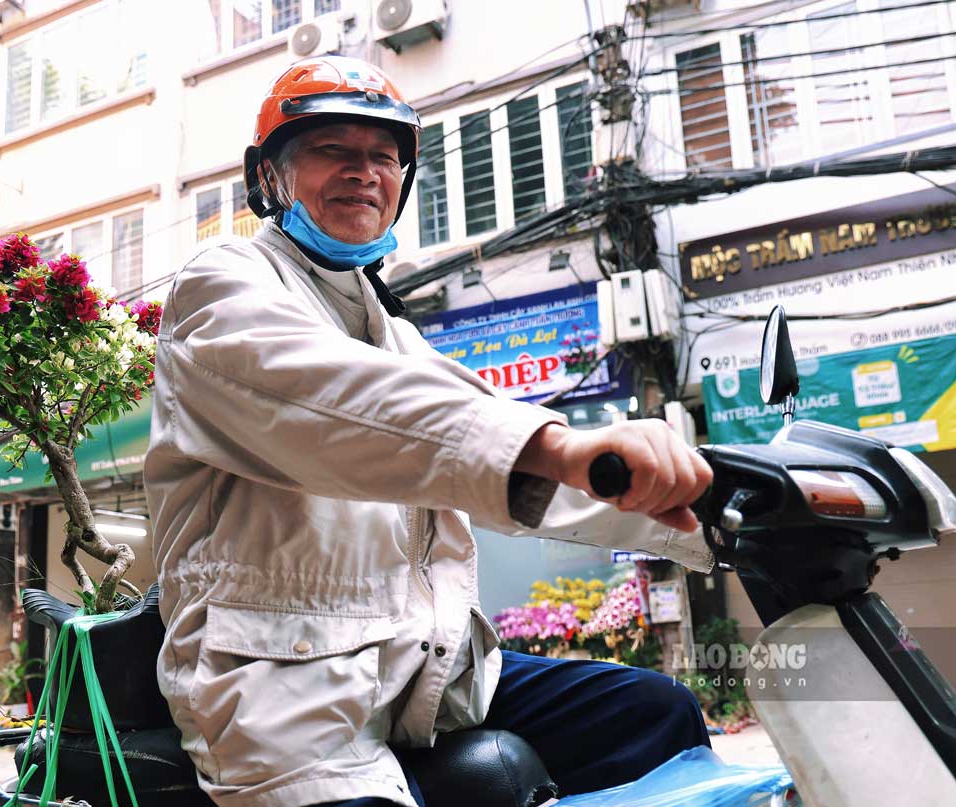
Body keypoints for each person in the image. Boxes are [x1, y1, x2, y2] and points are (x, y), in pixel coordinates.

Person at [144, 56, 716, 807]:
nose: (364, 173)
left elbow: (517, 476)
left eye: (383, 156)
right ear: (271, 178)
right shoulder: (223, 285)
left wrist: (714, 514)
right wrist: (557, 444)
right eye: (332, 151)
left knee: (655, 714)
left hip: (425, 673)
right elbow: (337, 402)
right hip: (284, 687)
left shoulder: (395, 335)